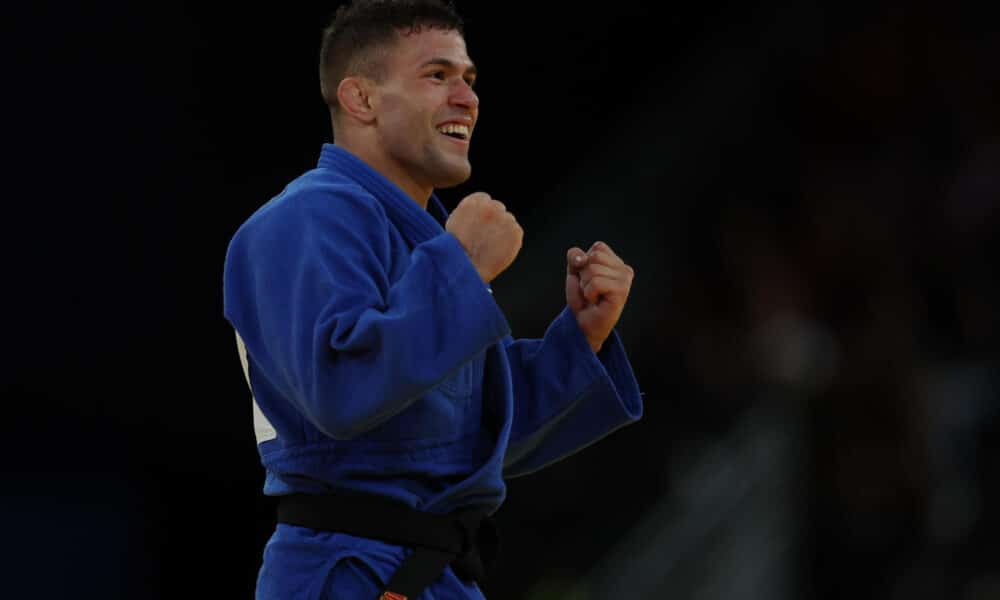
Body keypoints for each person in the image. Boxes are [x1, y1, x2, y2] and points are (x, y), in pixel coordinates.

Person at [222, 1, 642, 598]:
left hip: (424, 571)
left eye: (469, 80)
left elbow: (457, 439)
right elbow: (342, 391)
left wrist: (580, 340)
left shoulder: (418, 239)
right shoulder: (302, 219)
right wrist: (462, 266)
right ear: (361, 99)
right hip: (350, 572)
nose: (467, 98)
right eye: (437, 75)